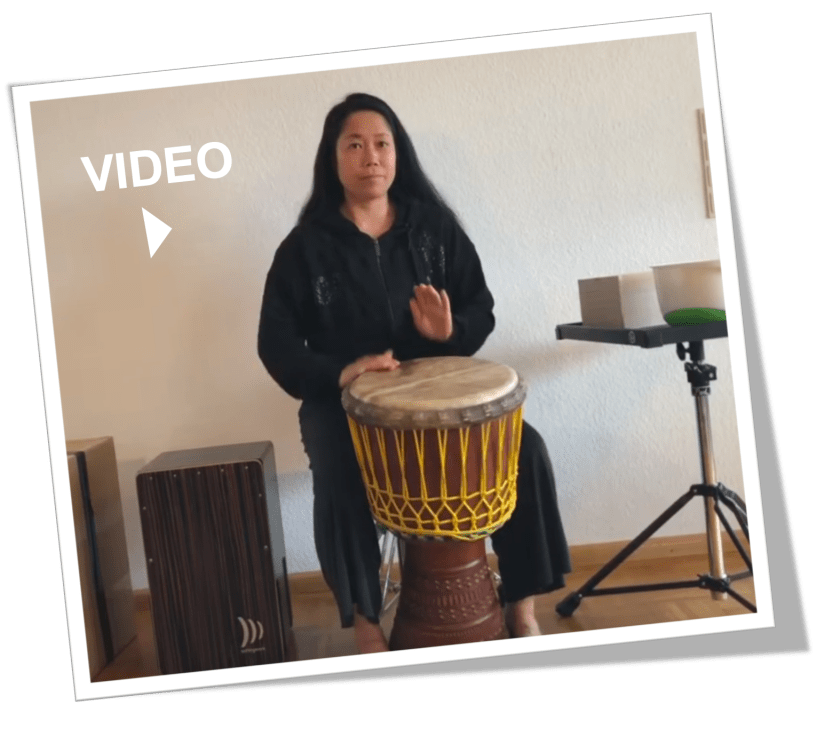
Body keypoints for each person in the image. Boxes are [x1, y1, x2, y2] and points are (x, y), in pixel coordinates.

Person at [258, 93, 571, 653]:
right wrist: (343, 371)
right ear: (333, 157)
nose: (371, 157)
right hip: (343, 402)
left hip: (442, 399)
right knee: (339, 473)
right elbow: (275, 344)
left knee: (525, 450)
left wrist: (449, 332)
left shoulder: (434, 228)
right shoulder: (304, 248)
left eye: (382, 143)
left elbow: (480, 309)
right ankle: (366, 625)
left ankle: (521, 606)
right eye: (355, 145)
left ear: (398, 153)